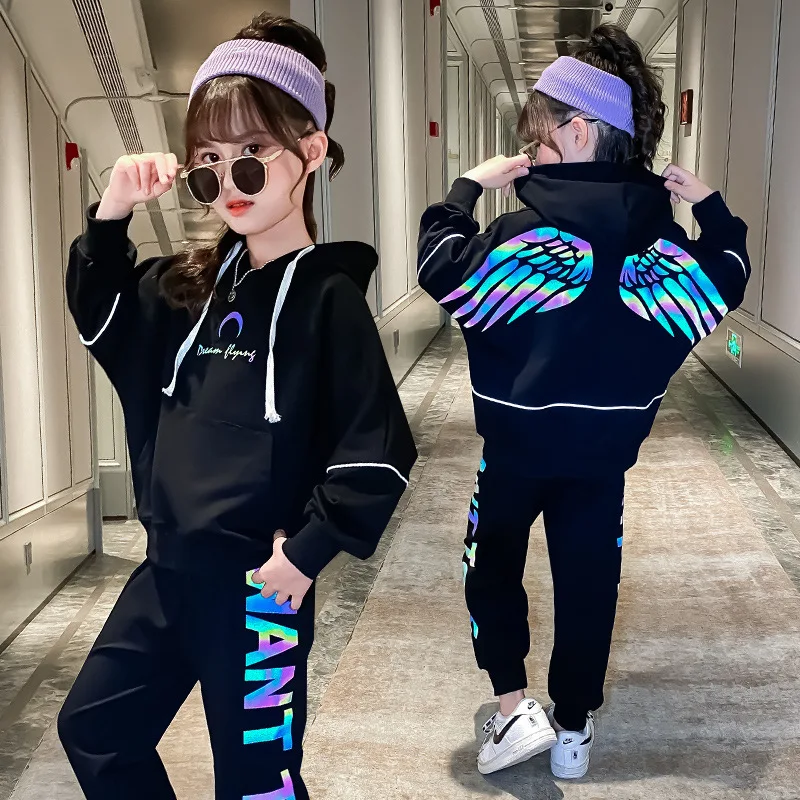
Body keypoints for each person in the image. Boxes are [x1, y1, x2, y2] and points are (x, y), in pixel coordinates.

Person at [58, 13, 416, 800]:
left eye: (251, 158)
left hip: (260, 593)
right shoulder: (186, 290)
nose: (229, 185)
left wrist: (306, 555)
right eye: (209, 166)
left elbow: (379, 446)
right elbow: (101, 318)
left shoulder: (328, 302)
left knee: (258, 785)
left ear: (310, 153)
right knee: (96, 728)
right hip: (166, 572)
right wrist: (111, 215)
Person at [417, 24, 749, 780]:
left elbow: (440, 263)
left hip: (514, 454)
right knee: (590, 583)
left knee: (490, 565)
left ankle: (512, 708)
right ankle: (572, 729)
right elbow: (729, 271)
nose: (529, 154)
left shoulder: (519, 237)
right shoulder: (666, 252)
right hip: (603, 460)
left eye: (536, 137)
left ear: (577, 130)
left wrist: (468, 186)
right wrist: (713, 208)